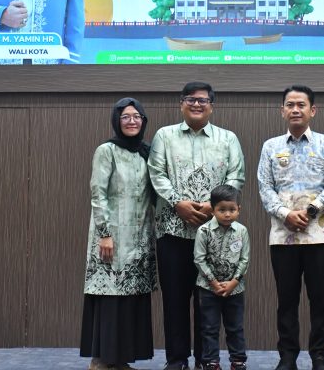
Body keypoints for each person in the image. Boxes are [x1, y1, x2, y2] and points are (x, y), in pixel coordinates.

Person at [148, 81, 246, 370]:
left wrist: (210, 207)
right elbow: (156, 173)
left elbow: (236, 176)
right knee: (175, 300)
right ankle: (177, 359)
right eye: (190, 99)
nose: (196, 104)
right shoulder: (164, 136)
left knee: (208, 303)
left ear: (211, 106)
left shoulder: (228, 138)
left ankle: (207, 359)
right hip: (172, 230)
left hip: (214, 235)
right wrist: (178, 202)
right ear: (181, 104)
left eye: (202, 100)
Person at [257, 85, 324, 370]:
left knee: (319, 298)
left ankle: (319, 357)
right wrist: (285, 213)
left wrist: (310, 210)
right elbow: (264, 187)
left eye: (301, 105)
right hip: (283, 234)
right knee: (286, 299)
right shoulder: (271, 146)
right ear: (282, 110)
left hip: (319, 233)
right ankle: (287, 357)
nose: (295, 109)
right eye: (290, 105)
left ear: (312, 110)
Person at [80, 98, 157, 370]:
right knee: (110, 297)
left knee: (131, 298)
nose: (132, 121)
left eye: (137, 116)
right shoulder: (107, 150)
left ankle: (120, 359)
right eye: (126, 116)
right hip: (111, 238)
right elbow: (98, 193)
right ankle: (101, 360)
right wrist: (104, 233)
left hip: (140, 237)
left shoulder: (147, 153)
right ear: (116, 120)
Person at [194, 185, 250, 370]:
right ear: (212, 209)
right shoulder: (204, 231)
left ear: (239, 209)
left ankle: (238, 361)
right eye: (222, 209)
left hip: (235, 289)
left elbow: (244, 259)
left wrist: (234, 282)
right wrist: (213, 282)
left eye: (232, 209)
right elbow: (199, 259)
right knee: (209, 328)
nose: (227, 214)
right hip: (208, 289)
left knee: (235, 327)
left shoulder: (242, 231)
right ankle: (211, 362)